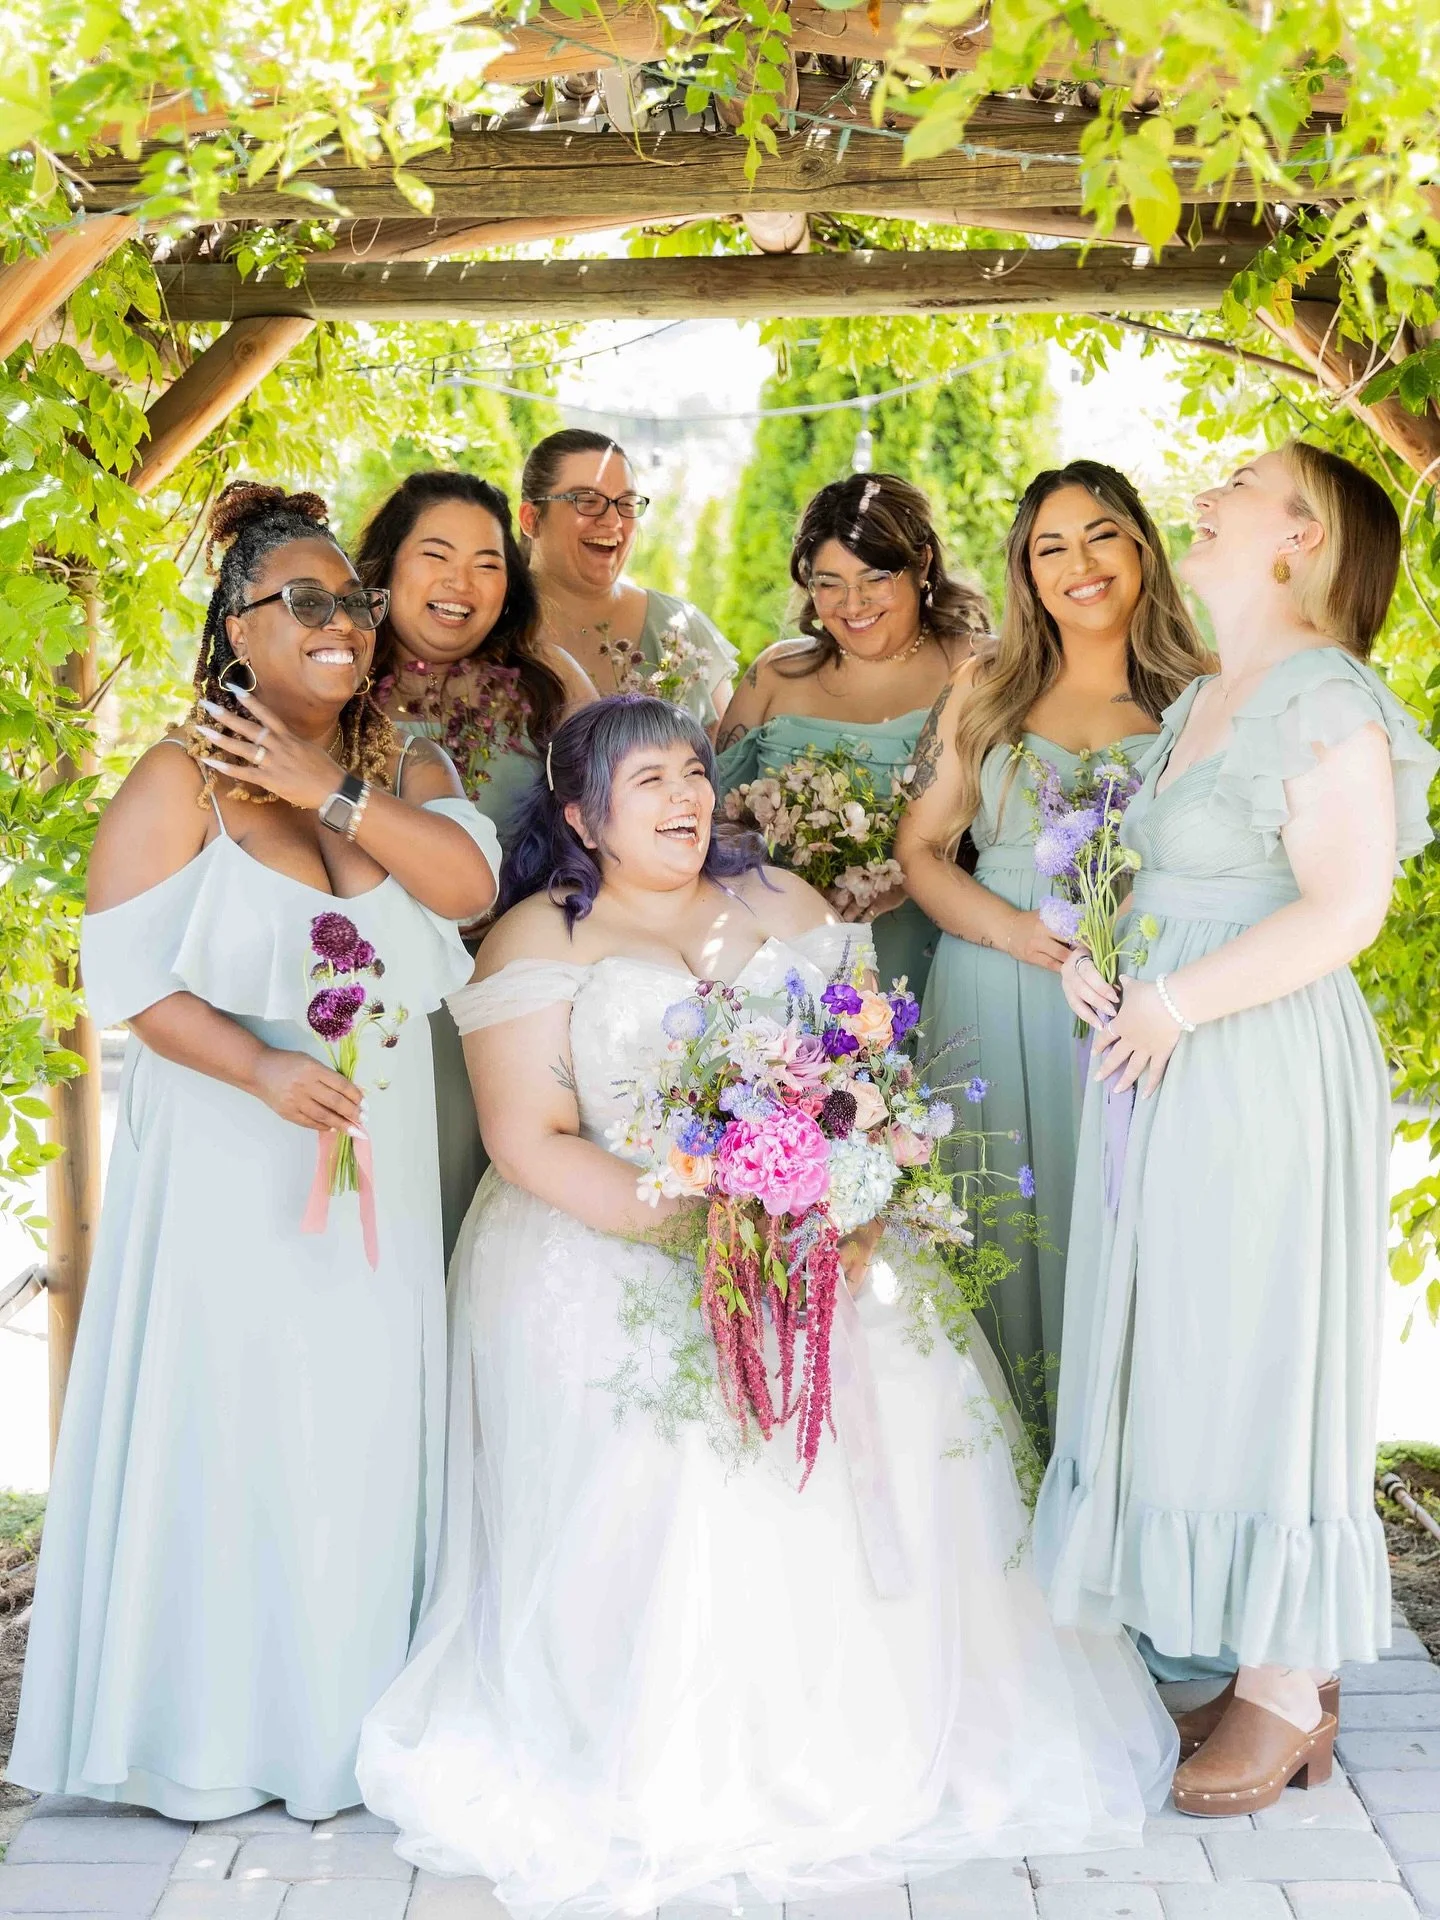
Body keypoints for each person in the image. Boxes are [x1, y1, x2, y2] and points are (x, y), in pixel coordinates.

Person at [357, 693, 1176, 1915]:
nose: (687, 798)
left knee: (903, 1391)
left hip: (811, 1225)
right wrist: (709, 1229)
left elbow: (863, 1073)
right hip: (608, 1229)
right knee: (684, 1444)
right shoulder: (537, 941)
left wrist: (841, 1201)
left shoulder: (781, 903)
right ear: (583, 816)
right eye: (650, 784)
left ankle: (899, 1721)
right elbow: (529, 1139)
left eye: (693, 772)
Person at [10, 483, 499, 1821]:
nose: (341, 623)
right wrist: (264, 1065)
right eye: (306, 601)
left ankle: (349, 1729)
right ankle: (219, 1734)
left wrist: (327, 792)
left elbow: (463, 891)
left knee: (355, 1430)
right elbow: (130, 980)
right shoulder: (180, 776)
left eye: (353, 600)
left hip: (375, 1157)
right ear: (237, 628)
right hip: (236, 1157)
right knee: (241, 1426)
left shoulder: (402, 762)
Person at [1035, 441, 1439, 1816]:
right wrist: (1093, 956)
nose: (1207, 489)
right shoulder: (1212, 694)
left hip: (1251, 1055)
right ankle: (1250, 1651)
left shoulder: (1324, 695)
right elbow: (1171, 882)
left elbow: (1345, 910)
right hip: (1168, 1048)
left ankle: (1284, 1678)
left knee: (1253, 1339)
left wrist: (1179, 999)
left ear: (1301, 536)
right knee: (1189, 1343)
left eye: (1244, 481)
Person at [895, 462, 1213, 1447]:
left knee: (1129, 1230)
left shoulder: (1201, 693)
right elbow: (920, 852)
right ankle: (1004, 1492)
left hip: (1134, 1007)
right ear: (1026, 574)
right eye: (1050, 547)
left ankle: (1123, 1468)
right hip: (992, 990)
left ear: (1143, 547)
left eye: (1102, 535)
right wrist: (1016, 930)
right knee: (992, 1232)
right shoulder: (985, 686)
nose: (1079, 564)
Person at [357, 469, 596, 1257]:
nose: (462, 583)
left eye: (488, 563)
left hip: (520, 1005)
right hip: (375, 1006)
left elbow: (612, 833)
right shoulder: (337, 682)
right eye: (436, 555)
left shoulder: (549, 685)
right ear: (387, 567)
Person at [716, 472, 990, 1000]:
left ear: (923, 565)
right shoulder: (773, 675)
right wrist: (793, 882)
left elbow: (1019, 829)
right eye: (829, 583)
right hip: (791, 957)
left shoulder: (982, 667)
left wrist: (907, 880)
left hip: (943, 954)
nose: (852, 603)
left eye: (874, 578)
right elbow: (710, 822)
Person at [519, 426, 737, 729]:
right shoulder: (488, 627)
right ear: (531, 519)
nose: (613, 521)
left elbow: (724, 765)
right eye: (588, 500)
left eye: (626, 503)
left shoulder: (678, 630)